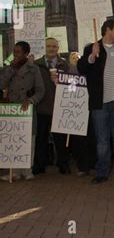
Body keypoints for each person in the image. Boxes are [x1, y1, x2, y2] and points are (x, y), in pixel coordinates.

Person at [77, 19, 114, 183]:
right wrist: (92, 56)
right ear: (107, 30)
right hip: (99, 103)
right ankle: (102, 172)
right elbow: (82, 69)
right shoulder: (92, 48)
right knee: (102, 141)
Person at [0, 40, 45, 181]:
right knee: (12, 138)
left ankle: (26, 169)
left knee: (28, 138)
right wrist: (11, 69)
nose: (15, 54)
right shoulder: (8, 68)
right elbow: (1, 84)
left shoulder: (34, 69)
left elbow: (40, 90)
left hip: (27, 108)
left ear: (26, 53)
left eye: (18, 52)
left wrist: (31, 100)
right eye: (14, 52)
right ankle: (13, 170)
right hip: (12, 109)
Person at [33, 38, 70, 175]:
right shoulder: (36, 65)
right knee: (41, 138)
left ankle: (62, 163)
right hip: (42, 107)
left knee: (60, 139)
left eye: (54, 46)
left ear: (58, 48)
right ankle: (39, 165)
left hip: (58, 107)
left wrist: (60, 82)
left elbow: (71, 85)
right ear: (45, 47)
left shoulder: (64, 65)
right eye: (49, 46)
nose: (51, 49)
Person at [68, 51, 97, 177]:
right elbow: (70, 87)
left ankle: (92, 165)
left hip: (93, 107)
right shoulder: (74, 69)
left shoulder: (97, 68)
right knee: (81, 138)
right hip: (79, 107)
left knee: (93, 137)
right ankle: (84, 166)